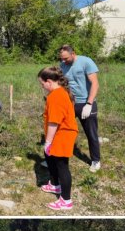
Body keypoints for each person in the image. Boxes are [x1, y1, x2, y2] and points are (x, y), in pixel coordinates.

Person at [38, 67, 79, 211]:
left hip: (63, 133)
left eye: (42, 84)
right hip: (60, 132)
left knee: (62, 166)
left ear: (49, 82)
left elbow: (54, 122)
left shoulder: (55, 96)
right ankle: (55, 185)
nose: (42, 87)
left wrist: (48, 141)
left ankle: (66, 201)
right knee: (50, 158)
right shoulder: (60, 92)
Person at [59, 45, 102, 173]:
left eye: (66, 58)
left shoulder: (86, 62)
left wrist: (89, 104)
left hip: (86, 103)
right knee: (62, 130)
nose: (63, 61)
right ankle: (58, 157)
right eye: (61, 59)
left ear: (73, 54)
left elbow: (95, 83)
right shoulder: (62, 65)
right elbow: (63, 84)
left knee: (91, 133)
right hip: (70, 103)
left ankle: (95, 160)